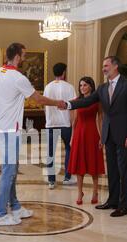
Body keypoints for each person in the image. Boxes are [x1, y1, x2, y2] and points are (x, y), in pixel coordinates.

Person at [0, 43, 66, 226]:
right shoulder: (18, 78)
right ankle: (0, 214)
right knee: (8, 172)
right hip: (9, 131)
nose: (24, 59)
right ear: (17, 56)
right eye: (23, 55)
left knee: (11, 171)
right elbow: (38, 99)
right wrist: (58, 103)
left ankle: (15, 206)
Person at [61, 56, 127, 217]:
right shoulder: (103, 88)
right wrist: (68, 104)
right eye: (103, 66)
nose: (103, 68)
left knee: (124, 171)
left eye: (106, 65)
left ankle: (124, 205)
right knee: (112, 170)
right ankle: (112, 201)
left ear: (115, 66)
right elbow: (88, 100)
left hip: (125, 136)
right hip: (109, 135)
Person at [67, 77, 105, 205]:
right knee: (79, 165)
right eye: (81, 85)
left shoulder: (97, 101)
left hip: (93, 133)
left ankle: (95, 192)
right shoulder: (78, 101)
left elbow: (100, 118)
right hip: (79, 133)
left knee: (93, 164)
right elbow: (74, 121)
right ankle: (79, 193)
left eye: (85, 85)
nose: (82, 87)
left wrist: (102, 136)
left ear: (91, 86)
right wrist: (72, 137)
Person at [43, 62, 77, 190]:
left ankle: (51, 181)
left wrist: (48, 119)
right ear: (64, 72)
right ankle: (67, 177)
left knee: (50, 152)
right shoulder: (69, 87)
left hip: (51, 124)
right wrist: (73, 123)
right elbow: (73, 107)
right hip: (65, 124)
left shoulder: (48, 87)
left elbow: (45, 106)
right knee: (69, 149)